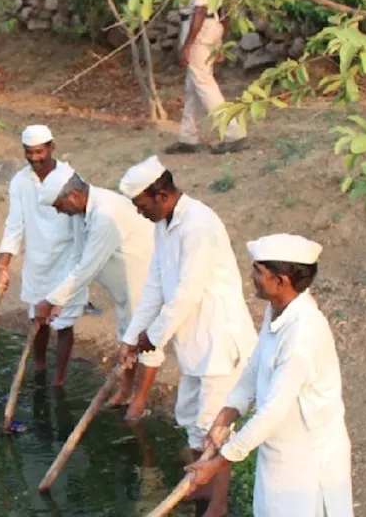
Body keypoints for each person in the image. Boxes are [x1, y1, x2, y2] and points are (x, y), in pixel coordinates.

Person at [116, 156, 258, 517]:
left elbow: (186, 294)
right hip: (193, 344)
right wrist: (132, 337)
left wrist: (154, 337)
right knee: (192, 421)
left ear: (161, 194)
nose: (139, 213)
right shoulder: (163, 225)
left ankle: (218, 505)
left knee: (214, 426)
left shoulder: (199, 225)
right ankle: (202, 489)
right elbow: (155, 286)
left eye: (141, 205)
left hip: (218, 343)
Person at [186, 234, 353, 517]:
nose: (251, 276)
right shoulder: (276, 310)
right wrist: (226, 416)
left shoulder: (303, 333)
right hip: (278, 452)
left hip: (307, 460)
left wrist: (218, 463)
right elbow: (254, 368)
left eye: (258, 271)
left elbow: (273, 411)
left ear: (281, 281)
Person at [38, 166, 164, 413]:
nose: (58, 211)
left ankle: (139, 401)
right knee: (126, 332)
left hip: (143, 278)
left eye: (57, 205)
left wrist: (49, 300)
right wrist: (59, 301)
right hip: (123, 287)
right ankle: (125, 391)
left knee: (146, 338)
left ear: (73, 196)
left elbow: (87, 267)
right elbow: (77, 258)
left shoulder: (106, 214)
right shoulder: (80, 213)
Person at [0, 125, 83, 387]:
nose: (34, 158)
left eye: (39, 152)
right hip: (37, 260)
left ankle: (58, 380)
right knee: (38, 318)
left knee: (64, 323)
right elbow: (15, 224)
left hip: (66, 259)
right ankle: (41, 365)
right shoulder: (20, 181)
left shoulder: (70, 177)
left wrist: (80, 264)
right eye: (29, 152)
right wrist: (3, 263)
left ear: (52, 148)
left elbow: (79, 222)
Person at [167, 0, 248, 155]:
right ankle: (188, 137)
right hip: (211, 25)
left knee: (204, 84)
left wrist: (187, 45)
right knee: (193, 86)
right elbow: (226, 9)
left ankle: (233, 134)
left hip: (199, 29)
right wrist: (218, 41)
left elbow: (200, 11)